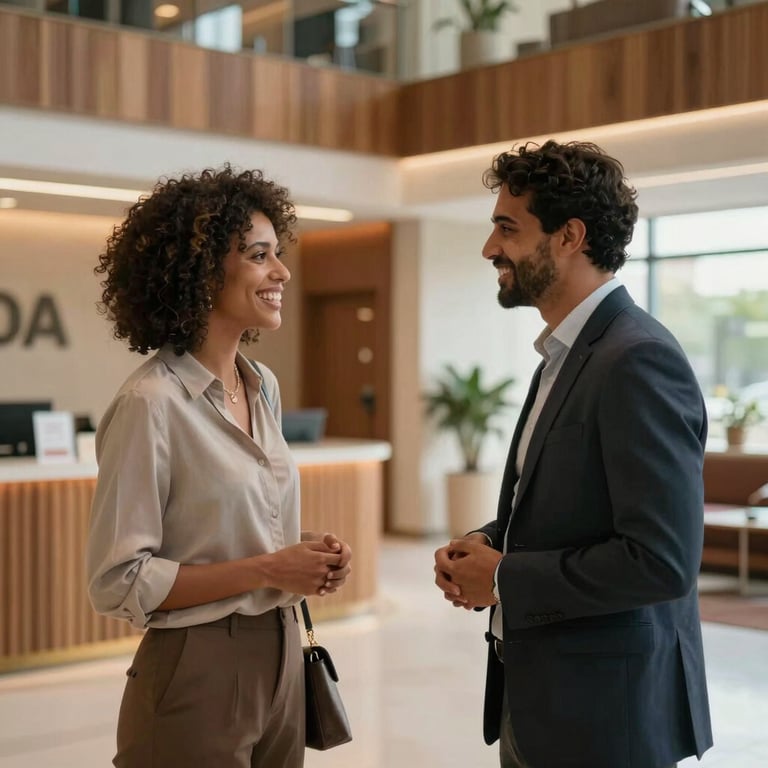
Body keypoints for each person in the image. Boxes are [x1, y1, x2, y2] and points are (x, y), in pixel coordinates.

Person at [434, 140, 713, 768]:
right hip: (543, 699)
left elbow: (662, 561)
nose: (490, 249)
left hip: (606, 718)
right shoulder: (566, 354)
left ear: (569, 236)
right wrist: (481, 546)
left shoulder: (636, 358)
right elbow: (555, 508)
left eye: (507, 228)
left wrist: (503, 578)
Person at [86, 166, 352, 768]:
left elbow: (225, 528)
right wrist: (269, 566)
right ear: (204, 272)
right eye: (260, 256)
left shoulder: (262, 388)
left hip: (285, 652)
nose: (282, 272)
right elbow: (119, 580)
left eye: (277, 254)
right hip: (195, 665)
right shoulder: (149, 403)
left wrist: (306, 553)